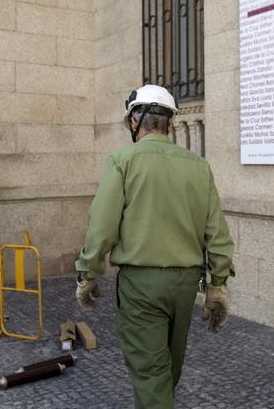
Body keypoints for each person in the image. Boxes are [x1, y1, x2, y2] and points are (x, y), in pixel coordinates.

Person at [74, 84, 235, 409]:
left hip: (141, 285)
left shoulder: (122, 160)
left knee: (152, 375)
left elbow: (102, 227)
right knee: (168, 372)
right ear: (171, 123)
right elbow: (217, 233)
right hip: (186, 284)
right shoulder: (198, 166)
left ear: (135, 121)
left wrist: (87, 272)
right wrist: (218, 286)